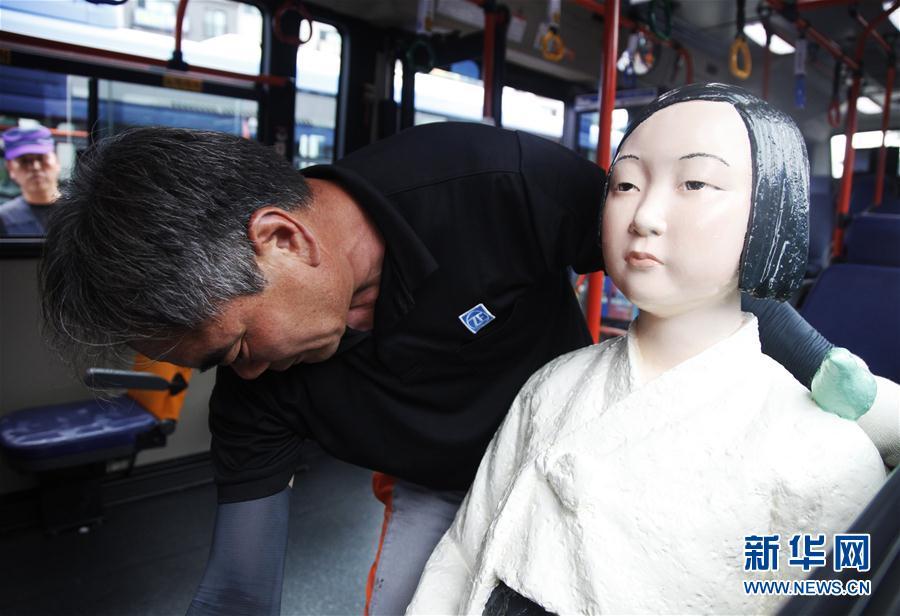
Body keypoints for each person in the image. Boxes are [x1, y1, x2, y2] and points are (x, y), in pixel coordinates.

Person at [38, 121, 896, 616]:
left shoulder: (499, 186)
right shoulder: (545, 397)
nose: (246, 377)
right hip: (462, 496)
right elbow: (238, 591)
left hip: (626, 472)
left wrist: (836, 386)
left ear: (282, 240)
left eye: (234, 348)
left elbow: (835, 566)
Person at [407, 84, 887, 615]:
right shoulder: (553, 385)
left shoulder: (822, 456)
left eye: (695, 182)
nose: (645, 215)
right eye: (626, 184)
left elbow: (816, 595)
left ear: (771, 214)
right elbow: (465, 549)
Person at [0, 125, 61, 236]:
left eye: (41, 158)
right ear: (10, 168)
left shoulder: (81, 211)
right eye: (24, 161)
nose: (35, 167)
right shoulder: (4, 219)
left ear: (56, 160)